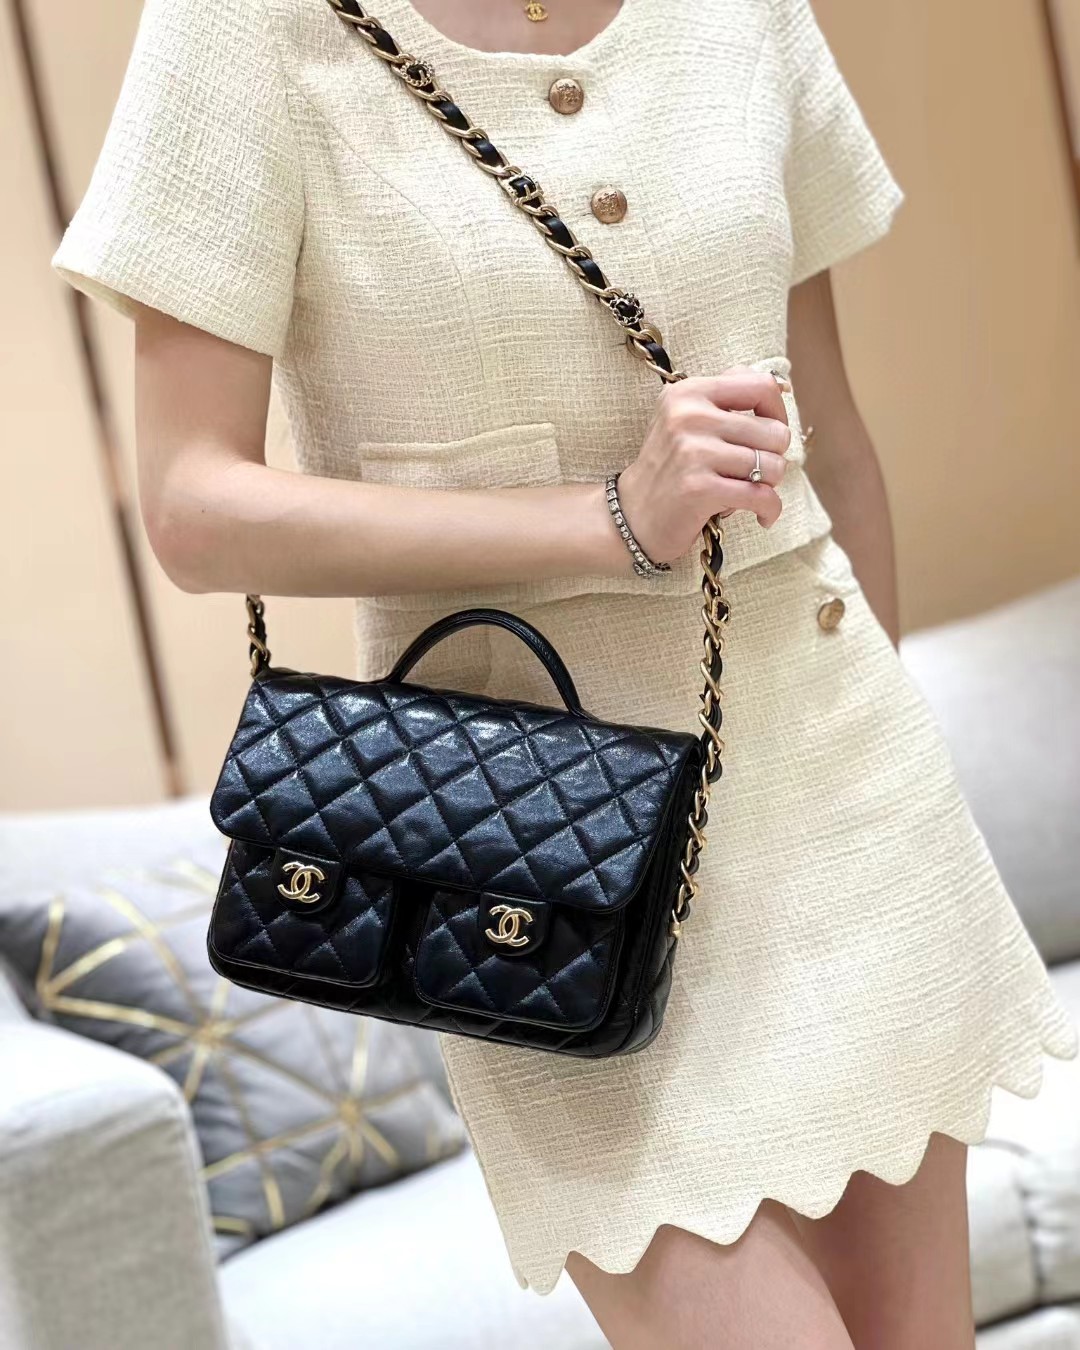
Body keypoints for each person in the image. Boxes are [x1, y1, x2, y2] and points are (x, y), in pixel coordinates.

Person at [51, 0, 1077, 1345]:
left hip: (846, 801)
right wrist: (606, 520)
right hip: (537, 867)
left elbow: (827, 431)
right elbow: (192, 504)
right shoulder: (246, 28)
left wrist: (900, 751)